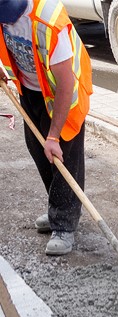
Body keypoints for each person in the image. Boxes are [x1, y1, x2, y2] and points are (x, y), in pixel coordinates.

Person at [0, 0, 92, 255]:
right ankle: (57, 209)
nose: (6, 23)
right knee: (37, 149)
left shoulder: (50, 22)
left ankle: (64, 225)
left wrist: (53, 136)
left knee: (62, 157)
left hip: (64, 95)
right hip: (30, 89)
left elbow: (65, 84)